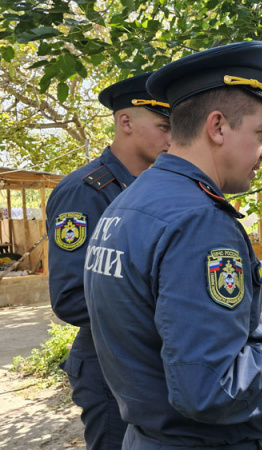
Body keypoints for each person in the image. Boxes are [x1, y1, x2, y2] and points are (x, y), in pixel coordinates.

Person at [84, 41, 262, 450]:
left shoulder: (132, 201)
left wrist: (255, 328)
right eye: (261, 132)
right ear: (217, 127)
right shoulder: (199, 221)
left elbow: (154, 325)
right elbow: (209, 386)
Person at [47, 72, 172, 449]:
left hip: (147, 361)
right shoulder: (85, 192)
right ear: (126, 121)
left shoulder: (153, 190)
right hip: (107, 366)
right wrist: (168, 312)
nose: (172, 138)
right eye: (164, 126)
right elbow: (70, 297)